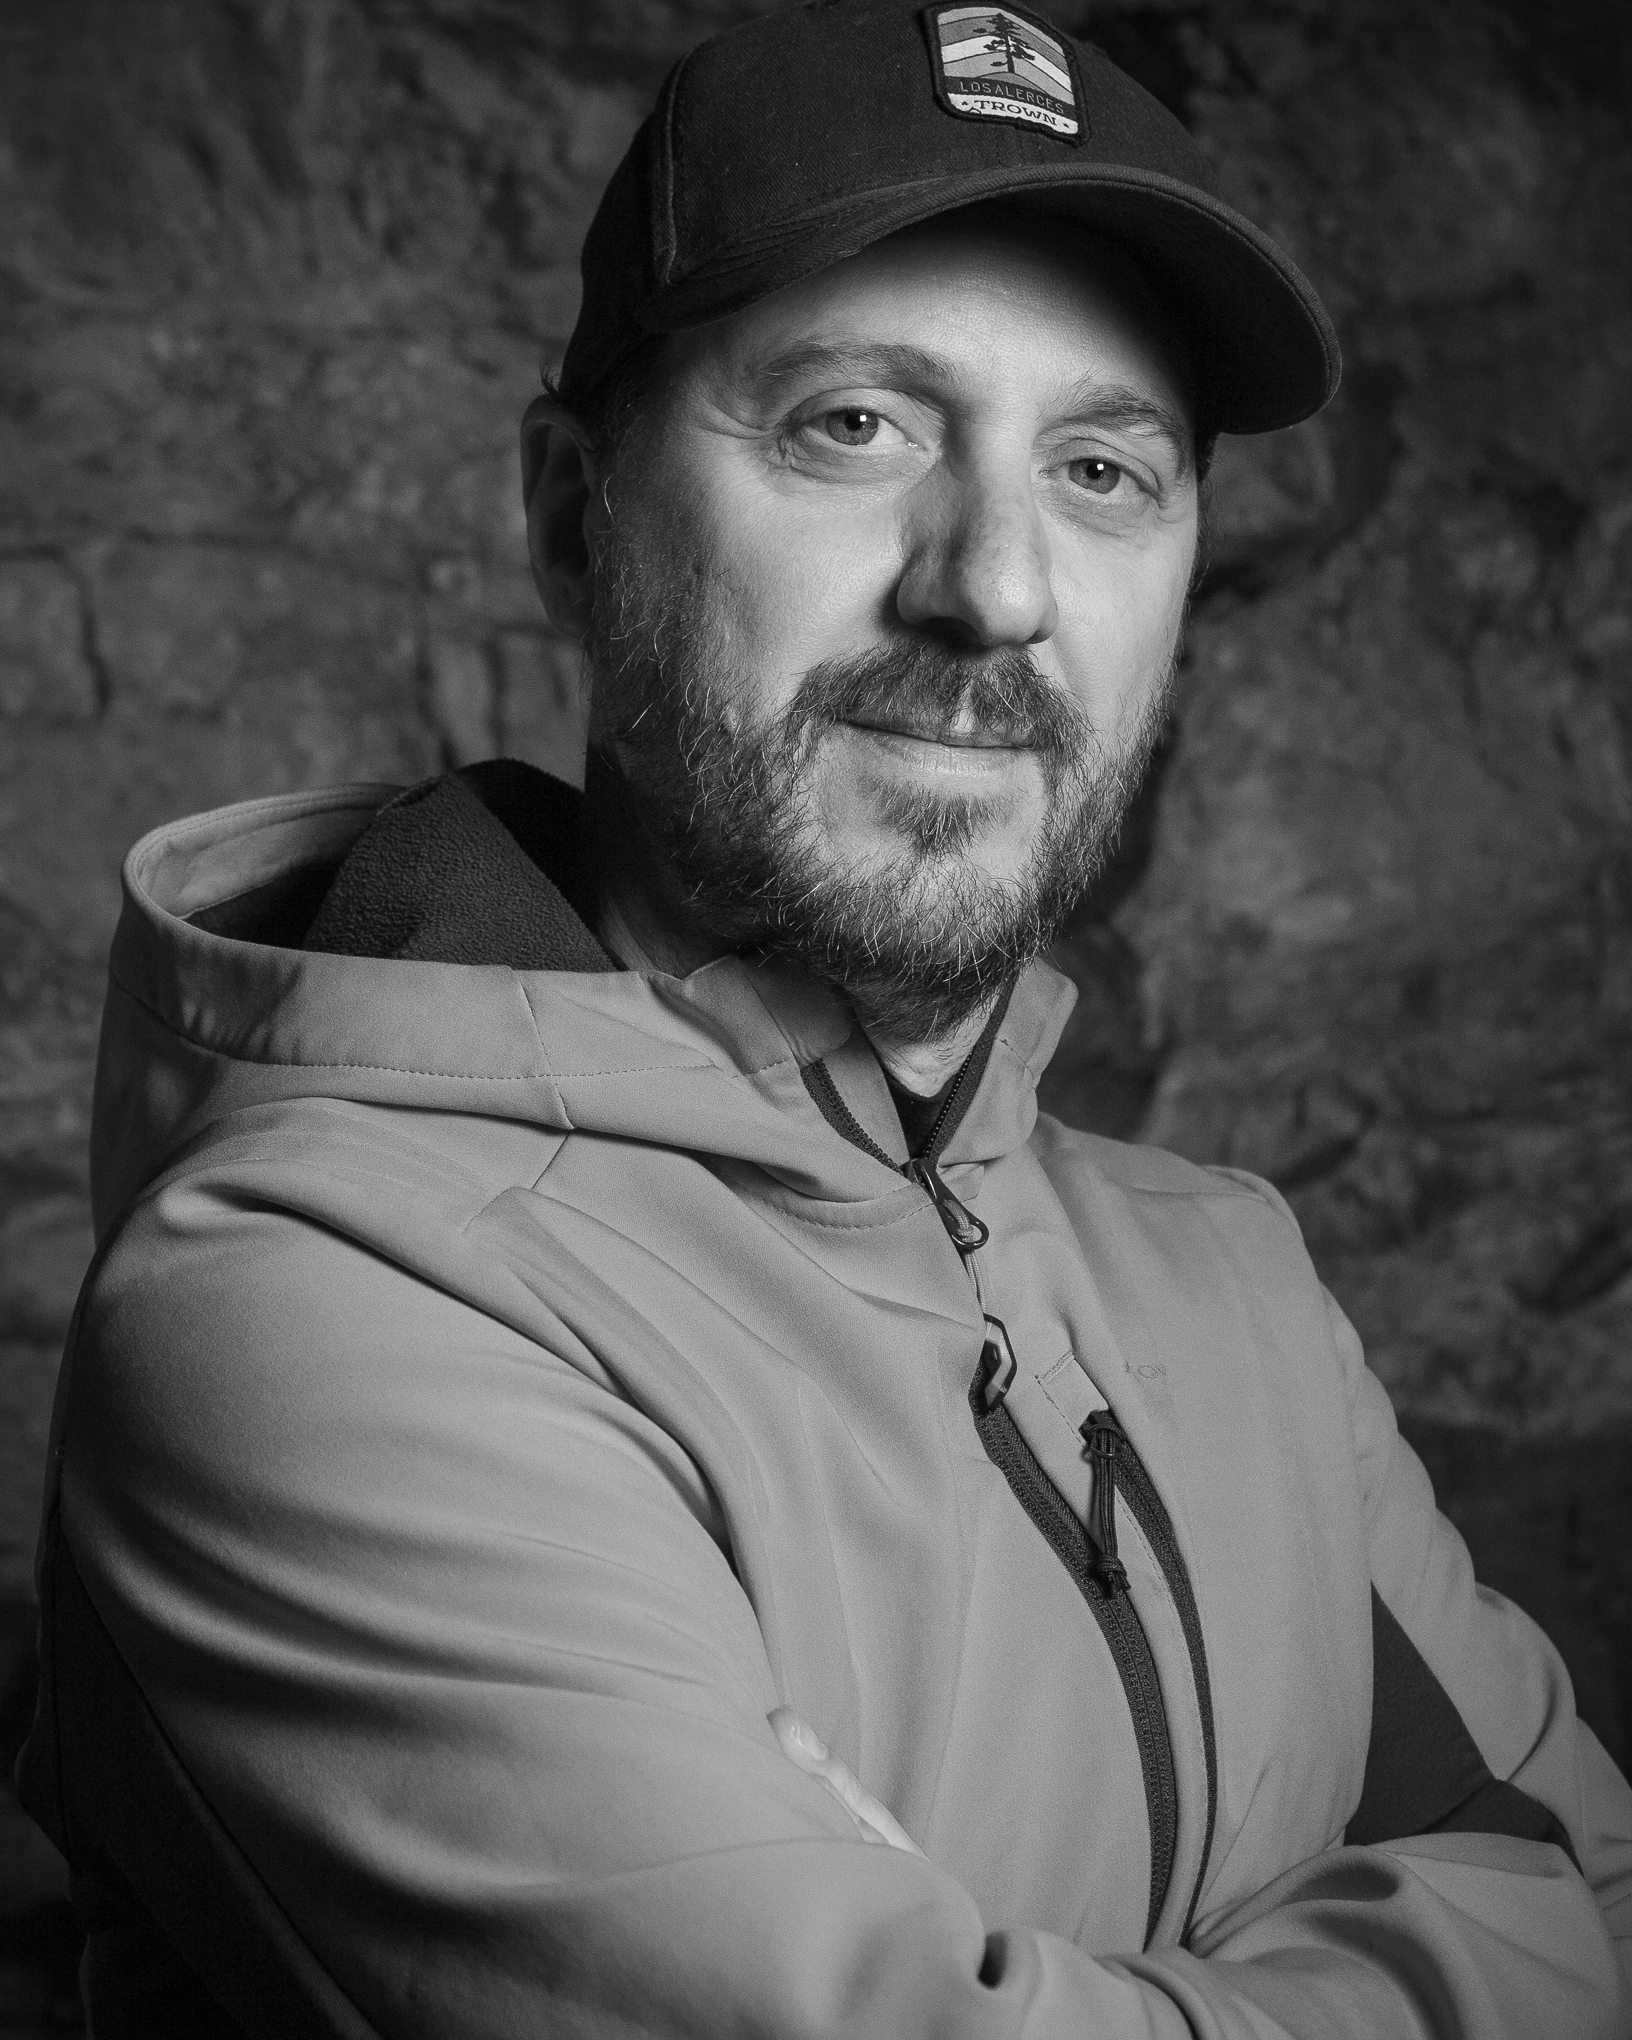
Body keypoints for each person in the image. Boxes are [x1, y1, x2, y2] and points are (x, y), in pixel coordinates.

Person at [18, 3, 1632, 2034]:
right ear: (566, 521)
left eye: (1105, 466)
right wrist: (1480, 1946)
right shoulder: (309, 1306)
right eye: (853, 425)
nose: (997, 588)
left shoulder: (1236, 1280)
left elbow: (1616, 1894)